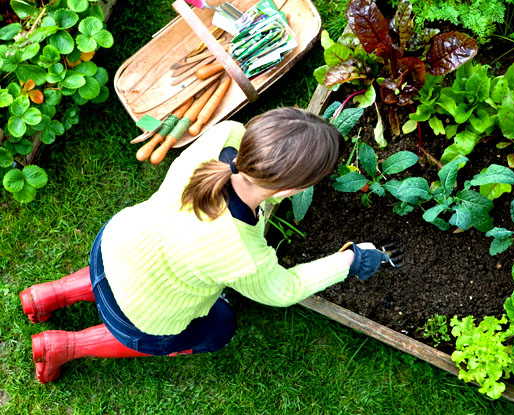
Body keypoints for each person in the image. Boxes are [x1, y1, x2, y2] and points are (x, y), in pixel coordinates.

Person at [20, 107, 389, 384]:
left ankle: (47, 295)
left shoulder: (224, 136)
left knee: (126, 271)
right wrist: (351, 261)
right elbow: (284, 290)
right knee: (218, 327)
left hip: (115, 243)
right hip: (139, 314)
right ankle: (64, 347)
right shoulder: (242, 253)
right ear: (289, 192)